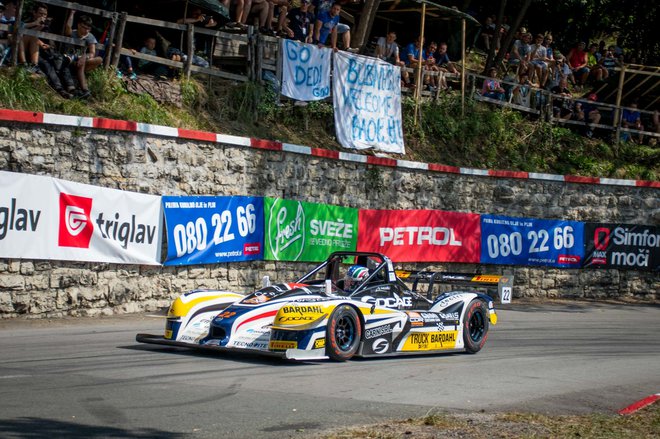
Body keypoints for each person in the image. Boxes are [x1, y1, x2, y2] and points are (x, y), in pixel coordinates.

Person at [63, 12, 103, 99]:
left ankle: (84, 90)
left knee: (99, 59)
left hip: (81, 61)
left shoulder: (90, 36)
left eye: (88, 29)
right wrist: (72, 13)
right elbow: (68, 27)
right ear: (78, 25)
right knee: (80, 62)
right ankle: (85, 89)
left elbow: (92, 52)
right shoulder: (72, 33)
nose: (86, 31)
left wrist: (84, 57)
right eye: (84, 28)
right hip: (69, 60)